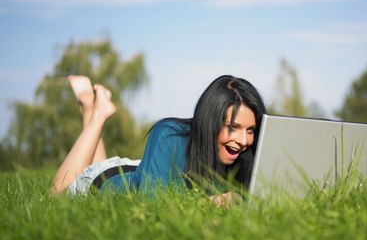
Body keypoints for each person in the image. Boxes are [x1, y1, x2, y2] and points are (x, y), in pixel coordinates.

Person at [52, 74, 267, 202]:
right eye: (233, 127)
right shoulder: (169, 133)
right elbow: (153, 205)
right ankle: (96, 113)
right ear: (211, 121)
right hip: (102, 180)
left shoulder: (246, 155)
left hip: (138, 168)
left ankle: (91, 105)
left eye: (250, 130)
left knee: (104, 163)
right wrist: (215, 204)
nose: (243, 140)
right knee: (56, 196)